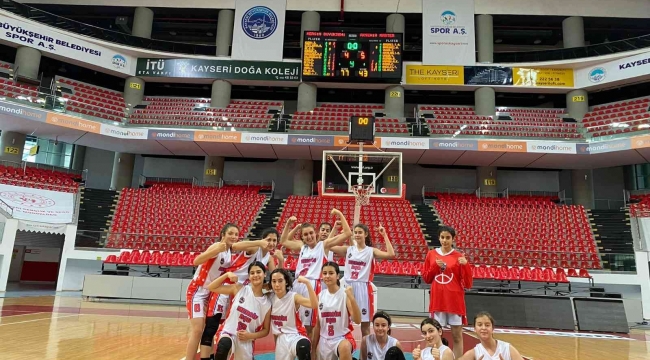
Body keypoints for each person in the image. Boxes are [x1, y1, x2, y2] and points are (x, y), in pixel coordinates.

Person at [185, 223, 269, 360]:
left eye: (236, 234)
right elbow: (196, 261)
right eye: (230, 233)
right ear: (223, 234)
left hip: (211, 291)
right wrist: (214, 251)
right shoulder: (217, 246)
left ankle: (209, 356)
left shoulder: (229, 253)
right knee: (198, 330)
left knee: (209, 328)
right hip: (198, 290)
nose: (234, 236)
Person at [280, 209, 352, 341]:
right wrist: (291, 224)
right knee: (295, 321)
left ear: (316, 233)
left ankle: (312, 352)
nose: (309, 236)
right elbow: (283, 241)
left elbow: (347, 233)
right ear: (302, 236)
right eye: (305, 234)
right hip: (297, 285)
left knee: (310, 325)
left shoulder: (323, 245)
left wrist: (340, 214)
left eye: (311, 233)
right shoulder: (302, 247)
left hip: (312, 285)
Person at [330, 223, 395, 337]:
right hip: (347, 287)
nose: (357, 234)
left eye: (360, 232)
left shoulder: (371, 251)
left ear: (366, 234)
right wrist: (336, 231)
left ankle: (364, 354)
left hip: (363, 288)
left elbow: (390, 254)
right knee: (342, 322)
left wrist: (384, 235)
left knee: (365, 326)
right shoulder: (348, 250)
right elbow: (328, 245)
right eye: (355, 232)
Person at [211, 227, 284, 326]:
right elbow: (235, 246)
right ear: (263, 239)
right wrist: (258, 242)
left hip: (243, 291)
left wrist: (281, 261)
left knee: (233, 321)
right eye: (268, 240)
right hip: (230, 282)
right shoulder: (255, 248)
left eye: (274, 240)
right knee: (215, 321)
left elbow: (277, 275)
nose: (271, 243)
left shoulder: (269, 257)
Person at [422, 226, 473, 359]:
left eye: (448, 237)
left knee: (457, 336)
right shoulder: (431, 254)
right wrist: (435, 266)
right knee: (432, 335)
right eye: (442, 237)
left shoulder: (459, 256)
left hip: (455, 301)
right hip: (438, 300)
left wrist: (466, 265)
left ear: (453, 239)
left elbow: (468, 284)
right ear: (439, 238)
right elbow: (427, 278)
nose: (444, 240)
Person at [207, 261, 272, 360]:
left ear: (264, 274)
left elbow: (266, 330)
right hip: (229, 332)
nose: (255, 275)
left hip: (246, 340)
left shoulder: (267, 303)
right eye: (252, 273)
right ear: (249, 276)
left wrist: (250, 335)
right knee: (224, 345)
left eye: (258, 272)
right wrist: (226, 275)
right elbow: (211, 287)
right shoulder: (239, 288)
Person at [313, 261, 361, 360]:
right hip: (324, 340)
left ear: (338, 276)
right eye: (325, 273)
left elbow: (357, 320)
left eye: (331, 273)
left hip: (341, 337)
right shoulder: (320, 296)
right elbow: (318, 325)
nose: (327, 276)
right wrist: (313, 349)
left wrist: (352, 298)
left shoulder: (345, 294)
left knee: (345, 347)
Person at [269, 268, 318, 360]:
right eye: (274, 281)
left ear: (286, 282)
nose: (277, 284)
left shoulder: (293, 297)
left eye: (280, 281)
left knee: (303, 347)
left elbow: (314, 305)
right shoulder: (270, 297)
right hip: (281, 339)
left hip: (296, 335)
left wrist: (307, 283)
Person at [458, 312, 524, 360]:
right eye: (480, 325)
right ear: (475, 329)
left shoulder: (507, 348)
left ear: (492, 329)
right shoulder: (474, 352)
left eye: (487, 325)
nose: (483, 328)